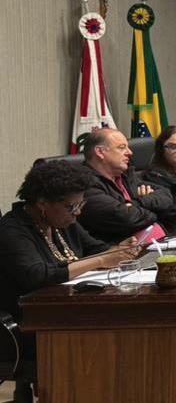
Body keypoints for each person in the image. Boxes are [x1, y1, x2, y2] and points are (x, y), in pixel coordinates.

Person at [0, 161, 141, 402]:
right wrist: (101, 260)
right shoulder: (12, 229)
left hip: (65, 312)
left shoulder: (62, 223)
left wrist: (119, 250)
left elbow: (96, 248)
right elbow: (37, 275)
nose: (77, 213)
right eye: (71, 207)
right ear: (43, 204)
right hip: (26, 325)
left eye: (81, 205)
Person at [77, 129, 173, 242]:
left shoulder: (125, 175)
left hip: (159, 241)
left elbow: (166, 195)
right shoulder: (85, 185)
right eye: (121, 147)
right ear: (100, 152)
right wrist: (156, 211)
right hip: (123, 250)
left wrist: (136, 203)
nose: (130, 152)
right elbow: (127, 218)